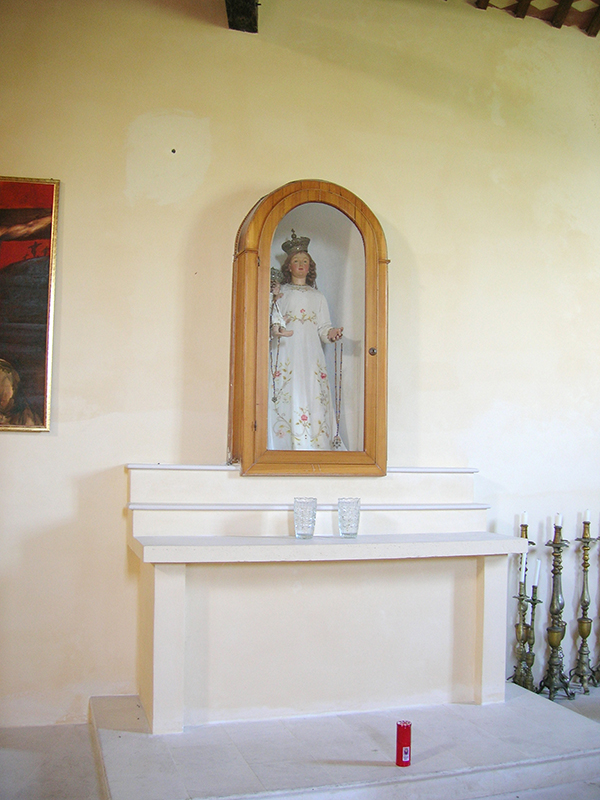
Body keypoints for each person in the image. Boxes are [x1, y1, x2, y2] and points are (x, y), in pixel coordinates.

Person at [268, 231, 343, 450]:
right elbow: (272, 320)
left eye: (305, 261)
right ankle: (282, 443)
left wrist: (332, 334)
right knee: (286, 391)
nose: (301, 265)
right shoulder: (281, 293)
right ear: (288, 267)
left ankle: (313, 443)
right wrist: (275, 326)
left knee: (311, 391)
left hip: (310, 355)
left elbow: (323, 328)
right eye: (296, 261)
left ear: (310, 267)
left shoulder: (317, 296)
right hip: (286, 351)